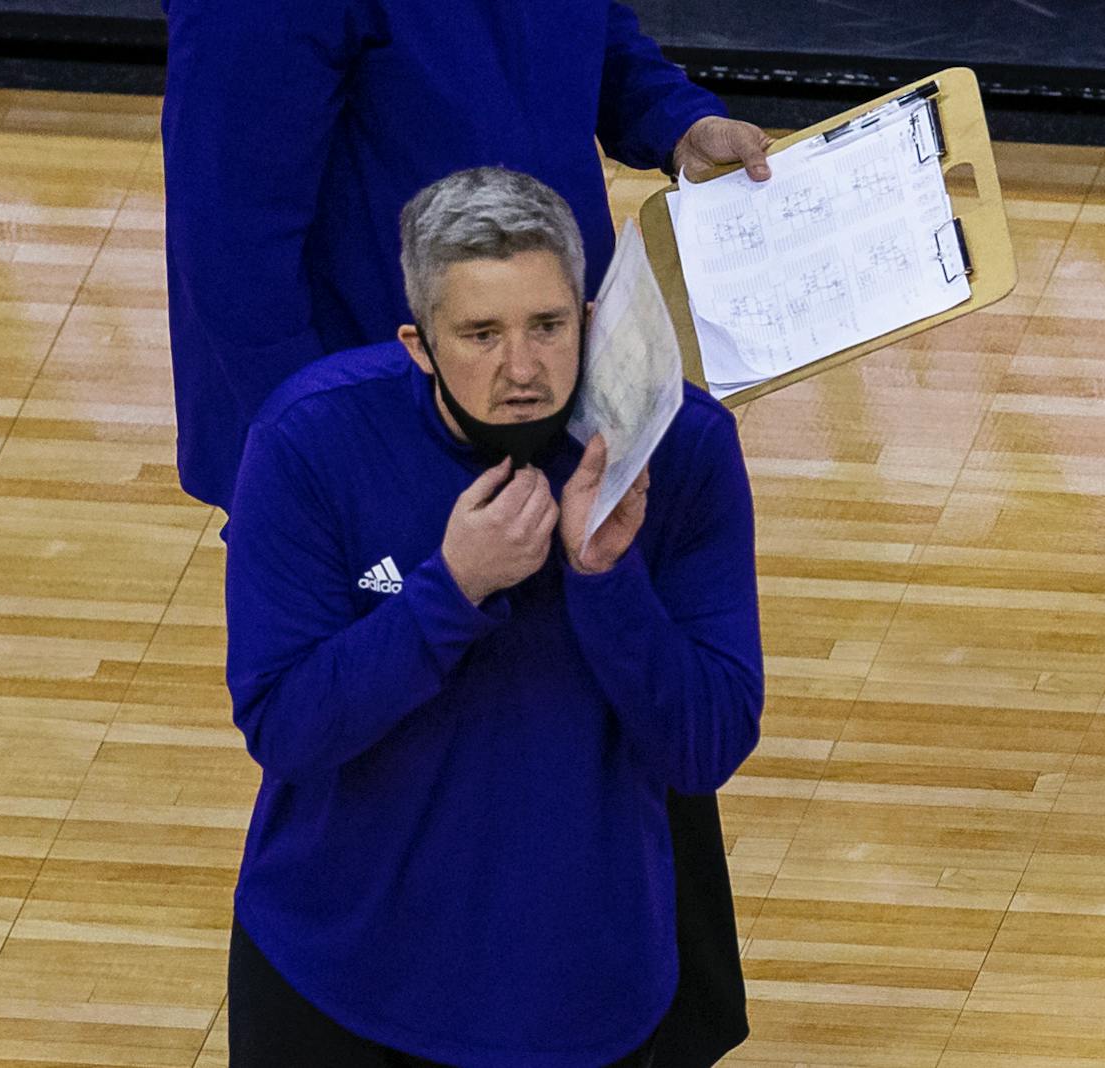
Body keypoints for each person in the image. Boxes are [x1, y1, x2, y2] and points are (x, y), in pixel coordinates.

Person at [161, 3, 772, 1063]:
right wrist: (336, 473)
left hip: (557, 424)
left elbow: (581, 33)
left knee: (599, 759)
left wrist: (669, 118)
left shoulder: (665, 440)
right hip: (388, 446)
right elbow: (232, 243)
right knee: (394, 768)